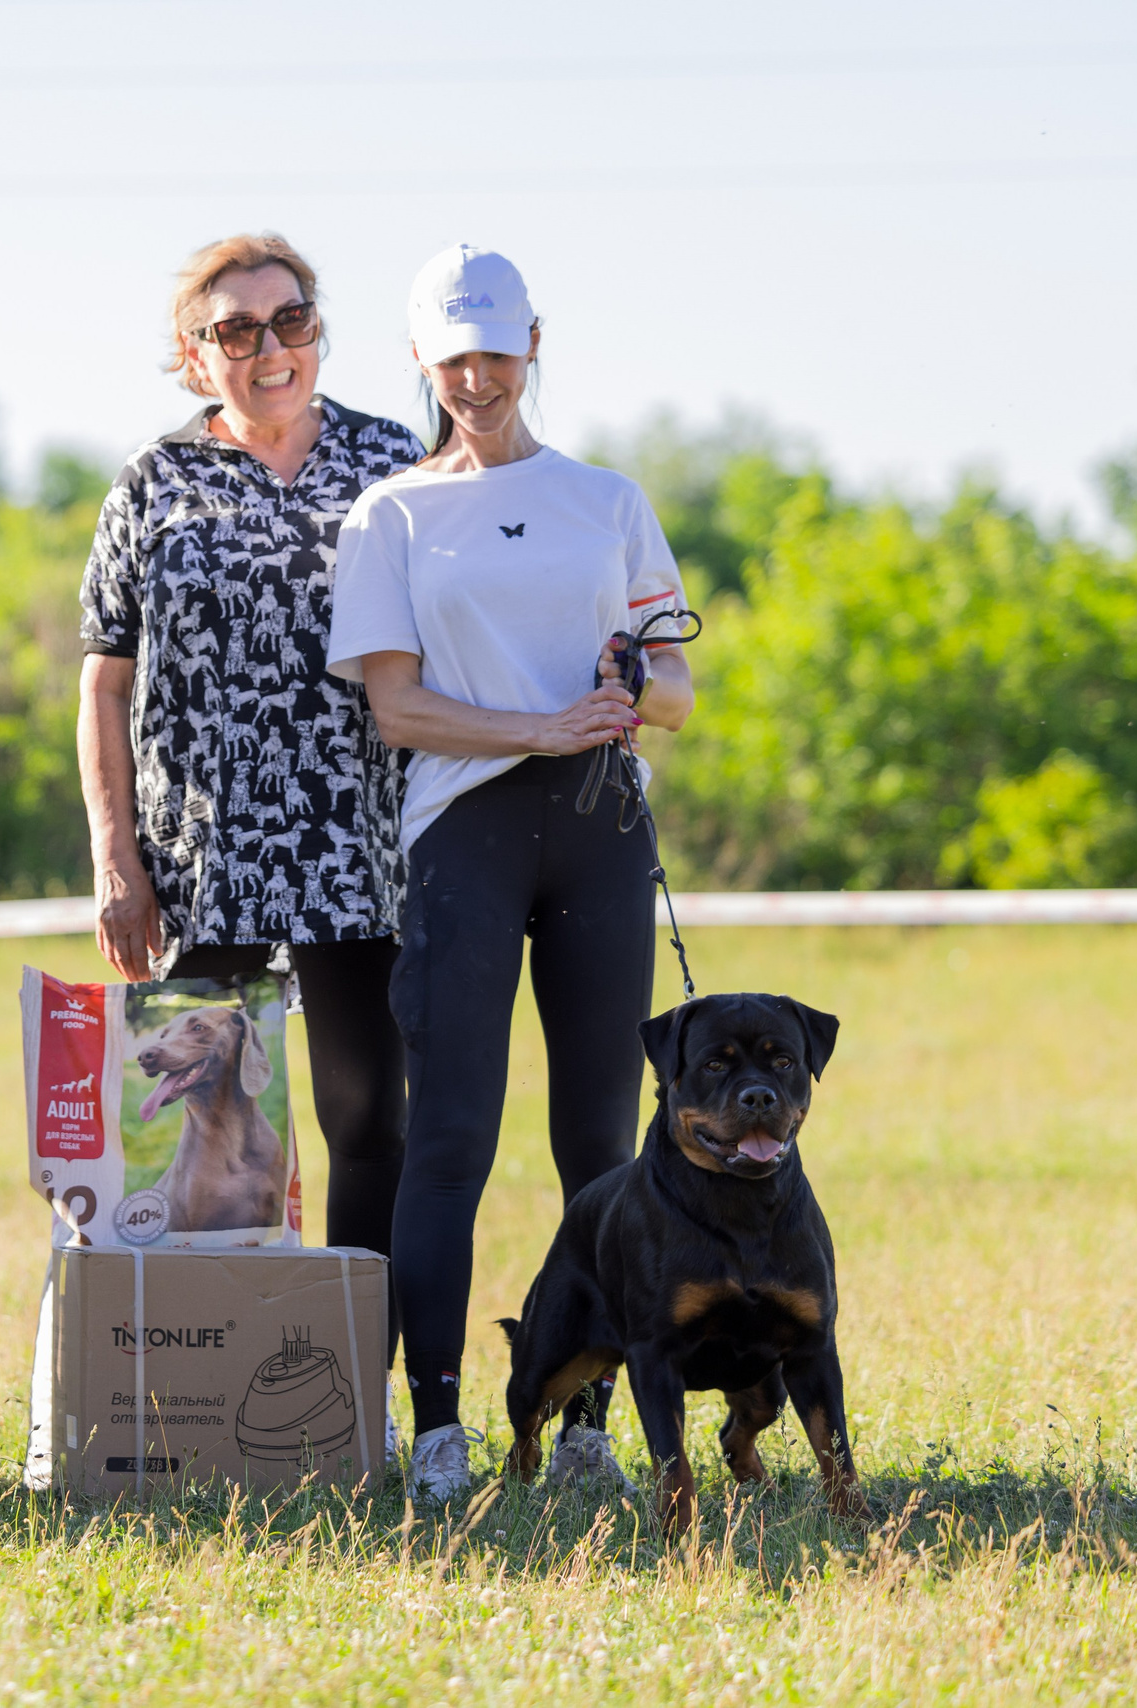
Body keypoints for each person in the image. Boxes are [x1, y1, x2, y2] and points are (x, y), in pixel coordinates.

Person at [325, 244, 695, 1503]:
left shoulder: (609, 499)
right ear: (421, 361)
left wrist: (634, 690)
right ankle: (437, 1425)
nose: (475, 376)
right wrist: (537, 728)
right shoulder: (392, 513)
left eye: (494, 348)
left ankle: (584, 1416)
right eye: (451, 356)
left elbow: (680, 688)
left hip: (601, 827)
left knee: (598, 1142)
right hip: (463, 835)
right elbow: (394, 706)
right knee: (450, 1140)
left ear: (534, 341)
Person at [78, 232, 418, 1272]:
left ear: (318, 332)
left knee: (366, 1120)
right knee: (181, 1121)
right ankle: (195, 1371)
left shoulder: (395, 461)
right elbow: (104, 678)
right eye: (235, 328)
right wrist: (114, 857)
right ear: (194, 354)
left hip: (357, 851)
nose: (269, 346)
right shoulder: (153, 481)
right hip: (201, 863)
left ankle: (366, 1376)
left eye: (291, 320)